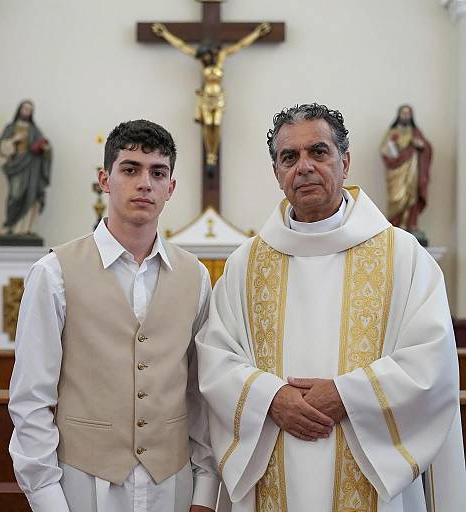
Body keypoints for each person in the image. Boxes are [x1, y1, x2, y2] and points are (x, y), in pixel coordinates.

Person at [196, 103, 465, 511]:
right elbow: (216, 359)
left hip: (371, 476)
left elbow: (433, 361)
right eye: (290, 157)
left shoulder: (403, 256)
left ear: (346, 161)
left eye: (318, 152)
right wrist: (270, 399)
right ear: (277, 173)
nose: (304, 166)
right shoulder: (245, 265)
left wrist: (347, 395)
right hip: (273, 468)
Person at [9, 120, 218, 512]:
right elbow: (31, 400)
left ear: (171, 188)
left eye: (158, 173)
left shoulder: (197, 276)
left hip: (172, 484)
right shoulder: (54, 273)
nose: (145, 183)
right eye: (130, 169)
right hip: (84, 484)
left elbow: (200, 393)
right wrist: (48, 498)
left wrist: (205, 490)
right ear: (105, 179)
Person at [151, 22, 271, 168]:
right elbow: (182, 46)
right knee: (208, 124)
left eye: (207, 54)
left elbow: (240, 45)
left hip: (218, 98)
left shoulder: (221, 57)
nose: (206, 57)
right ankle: (210, 155)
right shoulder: (202, 62)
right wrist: (165, 34)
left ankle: (213, 153)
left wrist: (257, 33)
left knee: (216, 124)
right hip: (206, 98)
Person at [0, 100, 52, 236]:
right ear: (19, 110)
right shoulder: (11, 127)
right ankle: (10, 225)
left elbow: (45, 147)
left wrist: (46, 149)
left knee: (32, 195)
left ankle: (27, 228)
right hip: (17, 166)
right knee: (15, 195)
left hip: (33, 168)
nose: (27, 112)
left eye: (30, 110)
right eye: (25, 109)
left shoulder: (35, 130)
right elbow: (2, 147)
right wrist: (15, 139)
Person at [380, 105, 432, 236]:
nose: (405, 116)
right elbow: (384, 149)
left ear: (411, 116)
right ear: (399, 115)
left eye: (408, 113)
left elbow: (427, 147)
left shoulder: (415, 132)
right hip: (396, 172)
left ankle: (410, 224)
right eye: (403, 113)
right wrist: (392, 149)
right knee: (396, 197)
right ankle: (395, 224)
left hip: (412, 170)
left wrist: (421, 146)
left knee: (411, 195)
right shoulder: (392, 132)